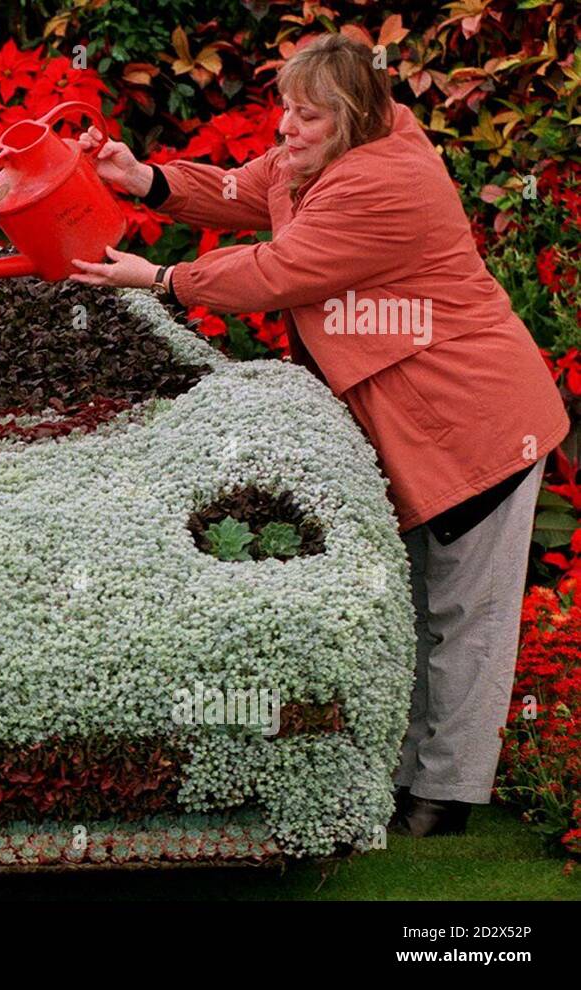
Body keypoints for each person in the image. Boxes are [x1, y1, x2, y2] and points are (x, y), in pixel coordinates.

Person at [70, 33, 570, 837]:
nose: (287, 128)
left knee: (466, 617)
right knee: (417, 608)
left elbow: (278, 270)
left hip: (477, 418)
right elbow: (241, 187)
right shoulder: (324, 157)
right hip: (425, 422)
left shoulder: (385, 181)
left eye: (307, 115)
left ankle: (447, 796)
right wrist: (145, 179)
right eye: (286, 111)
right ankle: (409, 776)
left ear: (355, 115)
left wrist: (162, 278)